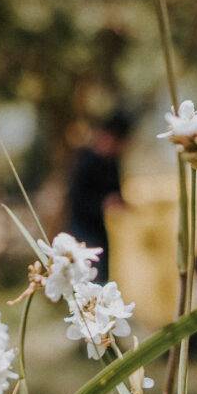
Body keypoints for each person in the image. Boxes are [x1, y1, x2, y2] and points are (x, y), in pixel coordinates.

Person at [62, 112, 132, 281]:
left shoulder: (112, 164)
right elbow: (76, 199)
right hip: (82, 229)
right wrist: (102, 204)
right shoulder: (86, 161)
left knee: (102, 274)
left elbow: (116, 193)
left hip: (101, 229)